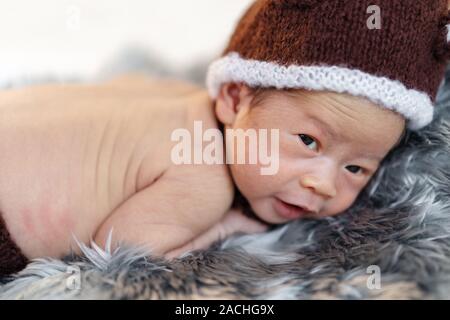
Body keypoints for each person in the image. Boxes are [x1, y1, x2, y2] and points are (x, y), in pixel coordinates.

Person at [1, 0, 449, 276]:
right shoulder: (204, 180)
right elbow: (117, 253)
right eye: (309, 142)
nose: (324, 185)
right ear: (235, 99)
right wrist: (221, 226)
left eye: (356, 168)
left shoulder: (170, 96)